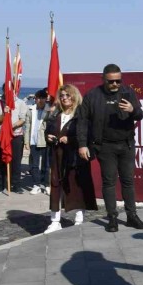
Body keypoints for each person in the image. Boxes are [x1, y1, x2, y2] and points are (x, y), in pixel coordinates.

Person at [77, 64, 143, 232]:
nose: (115, 84)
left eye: (118, 81)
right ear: (103, 79)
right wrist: (82, 144)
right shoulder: (93, 96)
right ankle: (112, 218)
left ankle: (131, 216)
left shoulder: (128, 92)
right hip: (105, 146)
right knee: (109, 182)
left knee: (128, 181)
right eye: (111, 81)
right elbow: (82, 121)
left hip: (126, 144)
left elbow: (140, 115)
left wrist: (132, 109)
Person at [44, 85, 98, 233]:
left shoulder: (81, 114)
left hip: (75, 157)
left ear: (74, 96)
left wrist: (71, 139)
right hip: (57, 155)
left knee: (77, 187)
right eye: (62, 95)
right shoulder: (56, 114)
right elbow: (48, 130)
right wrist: (48, 137)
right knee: (55, 187)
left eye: (67, 95)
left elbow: (87, 135)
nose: (64, 98)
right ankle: (55, 220)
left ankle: (79, 219)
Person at [0, 86, 28, 193]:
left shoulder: (20, 103)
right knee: (1, 160)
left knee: (16, 161)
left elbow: (22, 119)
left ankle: (16, 184)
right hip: (0, 135)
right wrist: (5, 114)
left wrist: (11, 126)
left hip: (16, 135)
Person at [25, 89, 52, 195]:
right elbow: (27, 127)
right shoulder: (31, 110)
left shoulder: (49, 110)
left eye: (42, 98)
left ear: (46, 99)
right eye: (38, 98)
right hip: (33, 140)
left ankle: (46, 184)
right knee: (34, 165)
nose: (40, 100)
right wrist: (26, 141)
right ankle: (36, 184)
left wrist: (50, 107)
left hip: (45, 141)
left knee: (46, 164)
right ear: (35, 99)